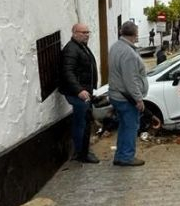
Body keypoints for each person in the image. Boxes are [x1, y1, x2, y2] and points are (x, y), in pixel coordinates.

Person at [108, 21, 149, 166]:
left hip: (116, 94)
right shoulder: (128, 53)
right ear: (135, 35)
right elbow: (130, 79)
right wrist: (138, 99)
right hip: (126, 98)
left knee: (124, 127)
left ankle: (120, 155)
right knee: (131, 127)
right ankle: (126, 157)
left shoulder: (115, 46)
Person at [59, 23, 99, 163]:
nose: (87, 35)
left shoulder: (81, 46)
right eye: (83, 32)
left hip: (84, 91)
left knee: (82, 121)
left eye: (88, 32)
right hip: (77, 93)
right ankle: (83, 154)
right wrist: (79, 90)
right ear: (74, 33)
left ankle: (83, 151)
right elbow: (68, 72)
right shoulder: (71, 49)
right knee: (82, 122)